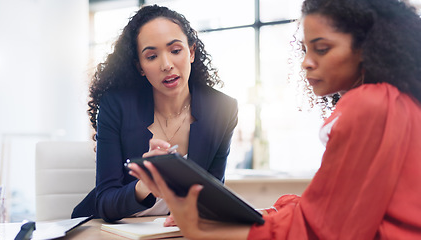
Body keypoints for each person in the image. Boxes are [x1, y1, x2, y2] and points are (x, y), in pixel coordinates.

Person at [128, 0, 421, 239]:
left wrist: (202, 230)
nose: (306, 61)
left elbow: (327, 229)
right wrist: (266, 214)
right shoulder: (396, 101)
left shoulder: (370, 104)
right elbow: (331, 208)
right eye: (305, 49)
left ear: (366, 49)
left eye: (322, 49)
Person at [71, 5, 238, 222]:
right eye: (151, 56)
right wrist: (144, 185)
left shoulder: (222, 109)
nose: (166, 65)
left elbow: (213, 197)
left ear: (192, 52)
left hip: (174, 232)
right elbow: (105, 201)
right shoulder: (116, 105)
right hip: (107, 229)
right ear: (140, 66)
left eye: (175, 50)